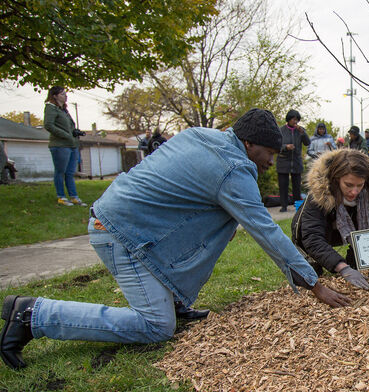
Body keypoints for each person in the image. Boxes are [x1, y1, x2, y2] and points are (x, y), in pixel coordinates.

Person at [0, 108, 350, 371]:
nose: (270, 162)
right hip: (120, 233)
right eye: (269, 154)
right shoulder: (233, 168)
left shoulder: (202, 135)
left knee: (223, 218)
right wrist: (312, 281)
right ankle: (35, 314)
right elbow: (265, 229)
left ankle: (174, 300)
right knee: (156, 326)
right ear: (249, 144)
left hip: (128, 222)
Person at [291, 149, 369, 293]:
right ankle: (317, 261)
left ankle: (356, 256)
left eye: (360, 185)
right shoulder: (319, 196)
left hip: (352, 230)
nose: (355, 192)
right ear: (336, 179)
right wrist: (342, 268)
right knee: (313, 271)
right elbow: (312, 238)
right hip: (321, 233)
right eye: (349, 185)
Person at [42, 86, 87, 207]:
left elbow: (67, 127)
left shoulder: (64, 110)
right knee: (60, 172)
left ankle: (74, 197)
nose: (65, 96)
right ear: (55, 96)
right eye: (62, 94)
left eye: (65, 94)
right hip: (60, 145)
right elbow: (48, 125)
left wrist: (74, 132)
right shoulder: (51, 108)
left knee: (70, 172)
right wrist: (66, 135)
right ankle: (61, 197)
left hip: (72, 144)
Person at [276, 109, 310, 212]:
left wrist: (303, 133)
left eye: (297, 119)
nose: (295, 122)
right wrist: (286, 147)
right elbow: (277, 145)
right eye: (293, 119)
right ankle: (284, 206)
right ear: (288, 119)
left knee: (296, 185)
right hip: (283, 161)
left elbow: (307, 143)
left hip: (296, 161)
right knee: (283, 185)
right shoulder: (281, 130)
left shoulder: (300, 130)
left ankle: (297, 205)